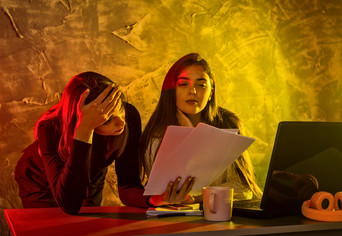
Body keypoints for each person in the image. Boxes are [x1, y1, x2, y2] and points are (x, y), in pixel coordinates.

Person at [15, 71, 151, 214]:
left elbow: (128, 186)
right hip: (40, 180)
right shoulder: (50, 129)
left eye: (120, 109)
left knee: (89, 224)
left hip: (90, 171)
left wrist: (153, 200)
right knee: (54, 228)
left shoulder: (129, 117)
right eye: (108, 119)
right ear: (81, 119)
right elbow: (69, 204)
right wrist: (84, 131)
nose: (121, 122)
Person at [139, 53, 262, 206]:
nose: (193, 91)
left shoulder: (228, 123)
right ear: (171, 91)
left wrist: (197, 197)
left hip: (219, 217)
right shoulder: (156, 135)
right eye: (183, 84)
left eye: (201, 85)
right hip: (171, 218)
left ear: (211, 92)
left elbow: (244, 188)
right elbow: (158, 191)